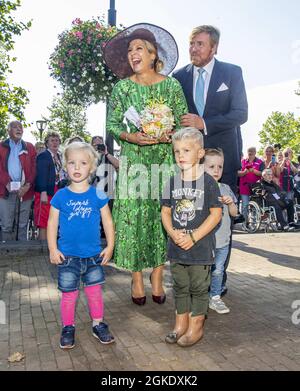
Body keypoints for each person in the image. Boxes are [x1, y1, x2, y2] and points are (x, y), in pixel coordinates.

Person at [104, 23, 188, 304]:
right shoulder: (122, 89)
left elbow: (183, 123)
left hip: (164, 163)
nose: (133, 54)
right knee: (133, 219)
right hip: (133, 164)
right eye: (130, 50)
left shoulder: (172, 85)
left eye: (139, 48)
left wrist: (170, 133)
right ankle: (137, 277)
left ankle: (157, 275)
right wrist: (132, 137)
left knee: (160, 217)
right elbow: (113, 124)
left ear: (153, 54)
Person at [47, 142, 115, 349]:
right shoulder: (61, 196)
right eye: (72, 163)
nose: (77, 168)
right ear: (65, 167)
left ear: (92, 167)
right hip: (67, 257)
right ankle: (68, 327)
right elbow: (52, 223)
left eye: (83, 163)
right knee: (69, 295)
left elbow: (108, 222)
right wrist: (52, 248)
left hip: (94, 255)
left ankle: (98, 324)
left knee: (94, 293)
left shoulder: (98, 195)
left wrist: (110, 246)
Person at [161, 128, 222, 347]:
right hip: (177, 248)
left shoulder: (209, 183)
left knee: (198, 288)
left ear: (200, 153)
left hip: (200, 249)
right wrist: (172, 232)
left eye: (186, 150)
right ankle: (180, 325)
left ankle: (196, 328)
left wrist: (194, 237)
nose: (180, 155)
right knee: (180, 287)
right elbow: (166, 212)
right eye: (176, 151)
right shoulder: (172, 182)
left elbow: (216, 215)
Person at [173, 25, 248, 194]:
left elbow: (241, 113)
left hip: (223, 160)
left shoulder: (232, 72)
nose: (193, 49)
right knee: (193, 213)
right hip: (190, 159)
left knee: (224, 212)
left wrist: (204, 123)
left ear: (214, 48)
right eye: (191, 44)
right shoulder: (178, 77)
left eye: (200, 44)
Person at [204, 148, 238, 314]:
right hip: (204, 241)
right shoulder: (199, 189)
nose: (216, 170)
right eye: (211, 167)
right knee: (202, 272)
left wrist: (231, 203)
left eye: (220, 166)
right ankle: (199, 297)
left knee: (218, 271)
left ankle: (215, 297)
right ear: (201, 167)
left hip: (223, 241)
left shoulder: (225, 188)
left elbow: (234, 214)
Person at [0, 121, 36, 241]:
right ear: (8, 131)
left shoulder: (29, 147)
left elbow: (34, 168)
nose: (18, 129)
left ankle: (22, 252)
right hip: (5, 190)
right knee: (6, 224)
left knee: (22, 224)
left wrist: (27, 186)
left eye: (20, 127)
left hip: (25, 191)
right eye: (15, 127)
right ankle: (7, 252)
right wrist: (6, 183)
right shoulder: (1, 146)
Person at [34, 131, 66, 240]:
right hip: (46, 192)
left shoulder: (59, 156)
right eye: (52, 140)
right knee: (44, 221)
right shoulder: (44, 156)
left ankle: (51, 246)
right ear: (47, 143)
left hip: (57, 191)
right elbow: (41, 175)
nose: (55, 143)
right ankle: (41, 248)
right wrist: (43, 192)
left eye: (57, 140)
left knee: (53, 219)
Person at [238, 147, 264, 223]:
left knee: (255, 205)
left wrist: (254, 171)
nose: (250, 153)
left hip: (256, 187)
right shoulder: (242, 162)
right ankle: (244, 223)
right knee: (245, 206)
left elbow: (262, 173)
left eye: (252, 151)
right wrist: (244, 172)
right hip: (244, 186)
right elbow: (237, 173)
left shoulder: (260, 162)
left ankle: (254, 222)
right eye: (249, 151)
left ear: (255, 152)